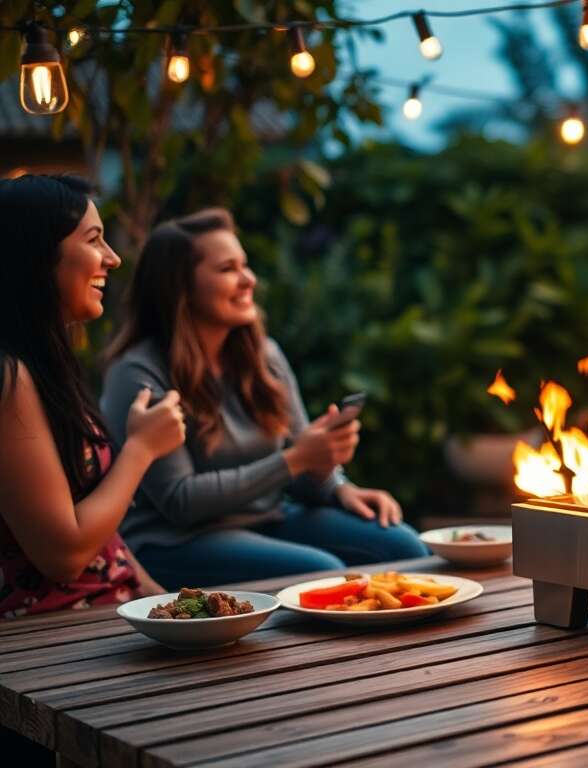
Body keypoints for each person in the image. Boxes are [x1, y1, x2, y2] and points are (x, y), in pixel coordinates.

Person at [100, 208, 427, 589]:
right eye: (227, 269)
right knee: (324, 573)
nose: (249, 280)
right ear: (180, 288)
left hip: (269, 517)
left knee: (405, 547)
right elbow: (181, 501)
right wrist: (296, 458)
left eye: (245, 265)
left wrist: (337, 484)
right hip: (175, 540)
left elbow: (300, 470)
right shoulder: (138, 374)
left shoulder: (263, 355)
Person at [0, 175, 185, 621]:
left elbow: (104, 539)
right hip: (53, 637)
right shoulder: (9, 378)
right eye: (94, 240)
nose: (113, 258)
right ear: (38, 254)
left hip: (107, 613)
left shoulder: (48, 368)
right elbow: (63, 554)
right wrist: (141, 449)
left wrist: (169, 600)